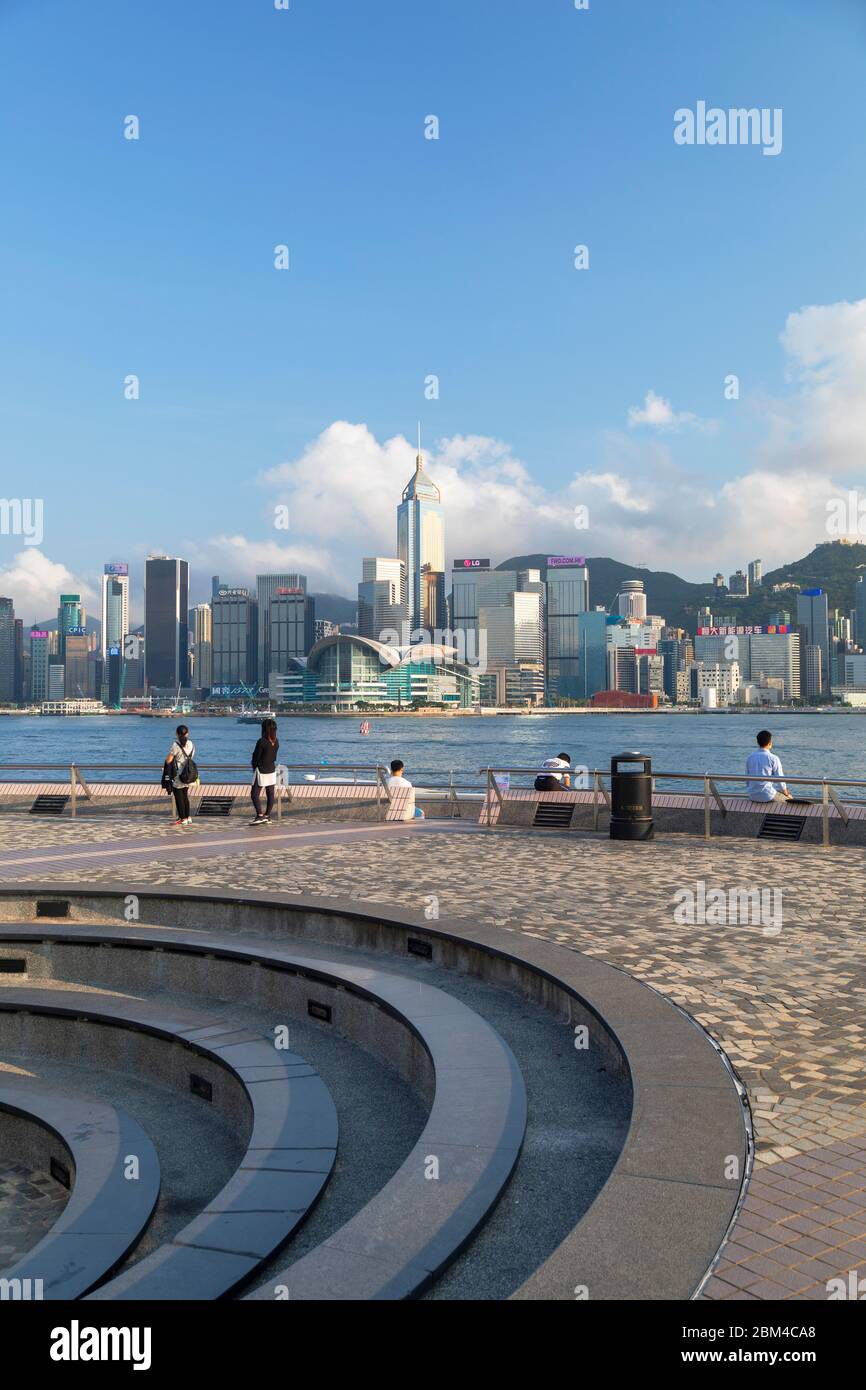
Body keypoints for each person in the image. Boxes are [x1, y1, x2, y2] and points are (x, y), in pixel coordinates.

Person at [745, 730, 793, 803]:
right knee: (790, 802)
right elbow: (780, 780)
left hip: (752, 795)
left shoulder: (750, 757)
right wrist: (787, 795)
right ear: (770, 743)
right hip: (767, 795)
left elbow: (747, 779)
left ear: (758, 743)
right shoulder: (773, 758)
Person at [250, 717, 279, 825]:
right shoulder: (276, 742)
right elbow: (273, 756)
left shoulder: (261, 741)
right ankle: (267, 815)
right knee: (270, 793)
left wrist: (254, 766)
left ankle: (260, 815)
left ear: (264, 729)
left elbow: (256, 757)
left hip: (261, 770)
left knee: (254, 794)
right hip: (271, 769)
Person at [165, 724, 196, 826]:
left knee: (179, 798)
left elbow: (168, 760)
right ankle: (188, 817)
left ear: (176, 734)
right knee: (185, 796)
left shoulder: (175, 745)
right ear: (187, 733)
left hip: (179, 775)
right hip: (188, 774)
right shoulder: (191, 744)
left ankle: (183, 819)